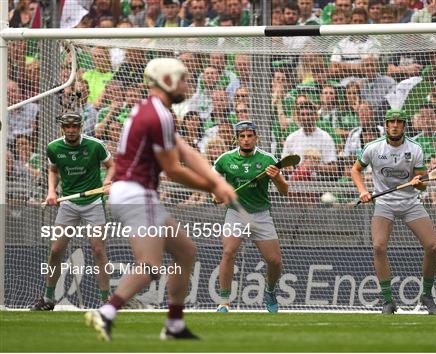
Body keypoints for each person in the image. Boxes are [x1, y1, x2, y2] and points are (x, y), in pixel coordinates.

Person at [84, 58, 236, 341]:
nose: (187, 85)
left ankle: (174, 324)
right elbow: (173, 169)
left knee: (185, 251)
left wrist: (217, 182)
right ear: (166, 81)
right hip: (137, 193)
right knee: (151, 265)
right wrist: (212, 187)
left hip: (132, 192)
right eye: (182, 79)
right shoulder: (158, 115)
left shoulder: (154, 110)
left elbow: (186, 151)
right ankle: (106, 312)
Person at [351, 108, 436, 315]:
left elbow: (424, 183)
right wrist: (363, 190)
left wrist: (418, 182)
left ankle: (426, 295)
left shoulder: (415, 149)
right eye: (391, 121)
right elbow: (356, 169)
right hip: (384, 203)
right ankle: (388, 300)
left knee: (433, 246)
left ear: (404, 125)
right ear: (386, 124)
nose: (395, 125)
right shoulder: (373, 148)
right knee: (379, 247)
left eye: (399, 121)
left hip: (410, 202)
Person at [31, 113, 114, 310]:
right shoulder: (54, 147)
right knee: (56, 250)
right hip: (68, 203)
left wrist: (108, 181)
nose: (70, 130)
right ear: (62, 127)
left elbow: (111, 166)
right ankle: (48, 298)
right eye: (67, 126)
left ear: (80, 127)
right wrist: (52, 191)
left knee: (98, 249)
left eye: (74, 126)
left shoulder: (95, 145)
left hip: (93, 202)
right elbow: (53, 170)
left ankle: (106, 300)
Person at [213, 120, 289, 313]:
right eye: (242, 136)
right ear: (237, 138)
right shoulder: (225, 159)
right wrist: (215, 194)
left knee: (275, 261)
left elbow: (284, 191)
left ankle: (270, 292)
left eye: (250, 136)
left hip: (261, 214)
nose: (246, 140)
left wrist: (277, 176)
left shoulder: (267, 159)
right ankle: (224, 301)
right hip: (236, 213)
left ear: (256, 137)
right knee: (229, 252)